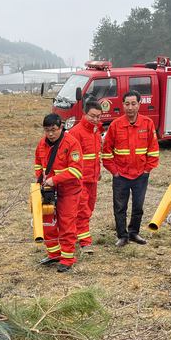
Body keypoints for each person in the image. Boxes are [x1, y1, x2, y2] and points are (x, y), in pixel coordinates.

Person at [101, 91, 160, 247]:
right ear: (123, 105)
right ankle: (122, 235)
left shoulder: (147, 123)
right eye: (127, 104)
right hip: (121, 175)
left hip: (141, 174)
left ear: (139, 104)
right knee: (120, 207)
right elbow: (106, 152)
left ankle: (134, 233)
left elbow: (153, 150)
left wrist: (147, 169)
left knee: (138, 206)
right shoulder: (115, 125)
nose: (130, 107)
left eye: (134, 104)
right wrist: (114, 171)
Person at [34, 113, 83, 272]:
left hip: (69, 191)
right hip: (48, 191)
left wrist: (54, 180)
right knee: (47, 223)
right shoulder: (42, 144)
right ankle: (54, 254)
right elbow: (37, 164)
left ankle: (68, 259)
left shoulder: (71, 143)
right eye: (47, 130)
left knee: (66, 224)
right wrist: (40, 180)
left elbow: (76, 171)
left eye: (53, 130)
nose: (50, 134)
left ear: (61, 127)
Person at [68, 100, 103, 254]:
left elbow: (95, 155)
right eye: (92, 116)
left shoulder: (95, 131)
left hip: (93, 179)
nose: (95, 119)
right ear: (84, 113)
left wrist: (98, 171)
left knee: (90, 208)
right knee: (83, 211)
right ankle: (85, 243)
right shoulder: (76, 132)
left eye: (98, 116)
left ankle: (74, 234)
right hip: (80, 180)